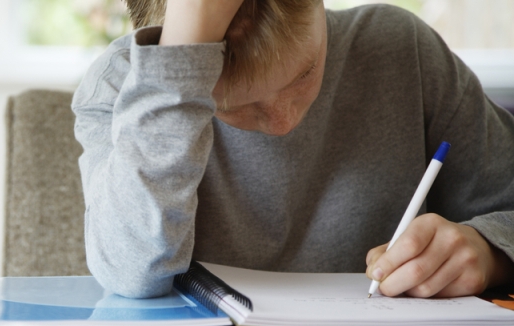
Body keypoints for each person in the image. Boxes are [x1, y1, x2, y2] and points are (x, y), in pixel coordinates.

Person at [72, 0, 514, 299]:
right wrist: (182, 62)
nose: (283, 122)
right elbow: (132, 273)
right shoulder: (123, 90)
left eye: (303, 74)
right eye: (236, 104)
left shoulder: (403, 52)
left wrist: (490, 251)